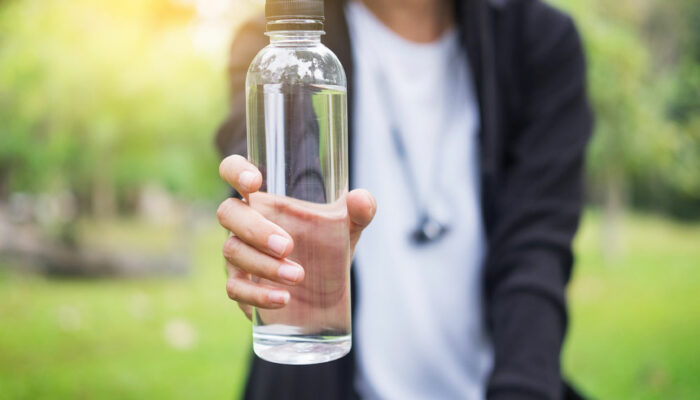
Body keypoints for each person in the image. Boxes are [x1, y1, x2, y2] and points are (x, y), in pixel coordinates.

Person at [215, 0, 593, 398]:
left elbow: (535, 255)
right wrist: (263, 242)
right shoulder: (277, 48)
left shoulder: (539, 41)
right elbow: (268, 181)